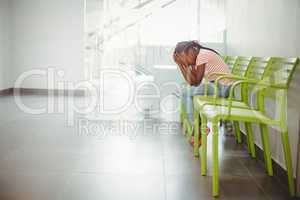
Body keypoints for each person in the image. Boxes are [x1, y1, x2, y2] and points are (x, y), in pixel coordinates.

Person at [173, 40, 232, 144]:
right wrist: (181, 65)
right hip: (216, 86)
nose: (184, 60)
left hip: (222, 88)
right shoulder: (198, 57)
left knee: (185, 93)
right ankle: (198, 128)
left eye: (183, 57)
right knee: (186, 93)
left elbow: (196, 82)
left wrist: (185, 65)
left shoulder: (202, 55)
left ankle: (197, 129)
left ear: (191, 51)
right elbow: (192, 81)